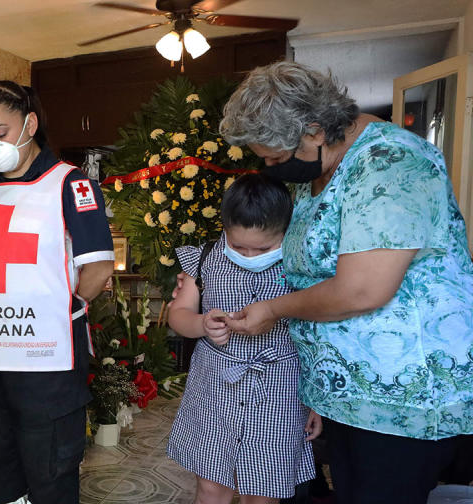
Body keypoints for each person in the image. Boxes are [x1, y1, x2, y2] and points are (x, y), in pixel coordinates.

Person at [218, 61, 473, 504]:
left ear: (314, 131)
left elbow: (362, 290)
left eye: (276, 157)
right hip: (348, 392)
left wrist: (273, 309)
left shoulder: (391, 162)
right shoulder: (317, 167)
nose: (271, 168)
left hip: (399, 394)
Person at [0, 81, 114, 503]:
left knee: (50, 470)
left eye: (0, 132)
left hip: (46, 362)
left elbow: (97, 268)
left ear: (30, 124)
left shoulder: (69, 186)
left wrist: (60, 305)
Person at [167, 174, 319, 504]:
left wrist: (315, 403)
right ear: (225, 229)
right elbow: (178, 314)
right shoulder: (206, 258)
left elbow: (316, 333)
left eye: (263, 248)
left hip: (280, 391)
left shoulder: (301, 266)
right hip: (213, 388)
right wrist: (201, 324)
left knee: (262, 493)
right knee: (211, 487)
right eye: (238, 247)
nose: (250, 255)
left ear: (286, 232)